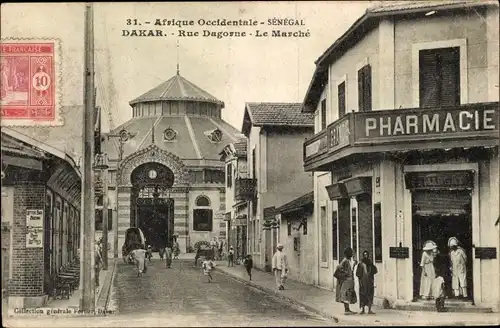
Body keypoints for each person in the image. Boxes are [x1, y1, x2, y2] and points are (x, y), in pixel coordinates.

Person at [334, 247, 357, 315]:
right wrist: (346, 274)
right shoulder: (345, 260)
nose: (352, 254)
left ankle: (348, 309)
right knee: (346, 295)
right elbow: (339, 268)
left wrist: (353, 265)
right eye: (351, 253)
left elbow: (350, 269)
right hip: (346, 281)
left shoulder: (349, 260)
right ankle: (346, 310)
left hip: (349, 281)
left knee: (348, 295)